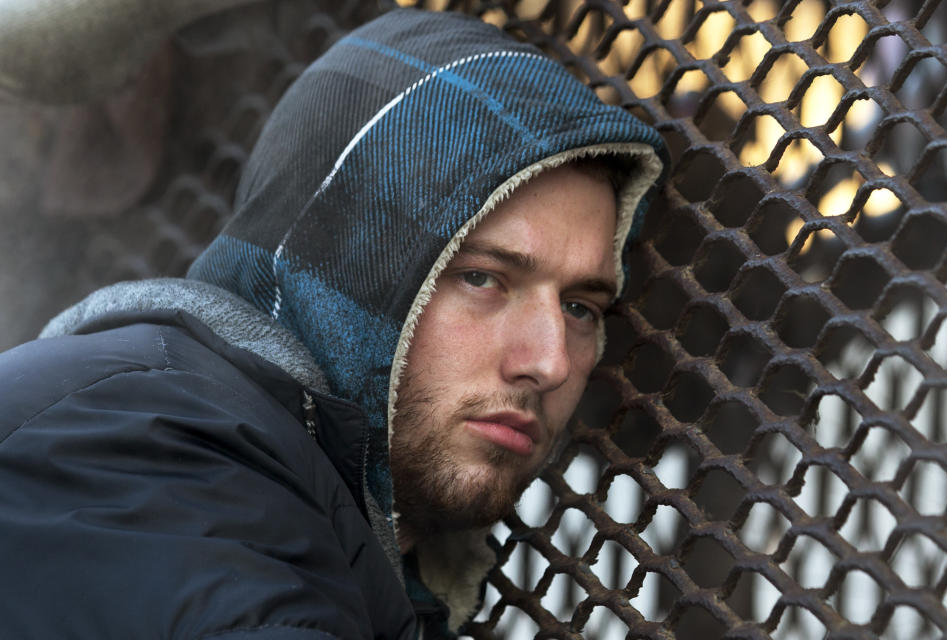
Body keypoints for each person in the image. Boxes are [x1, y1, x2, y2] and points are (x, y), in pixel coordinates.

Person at [0, 8, 667, 639]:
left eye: (581, 307)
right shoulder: (160, 454)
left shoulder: (292, 495)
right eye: (482, 278)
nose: (548, 362)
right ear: (351, 261)